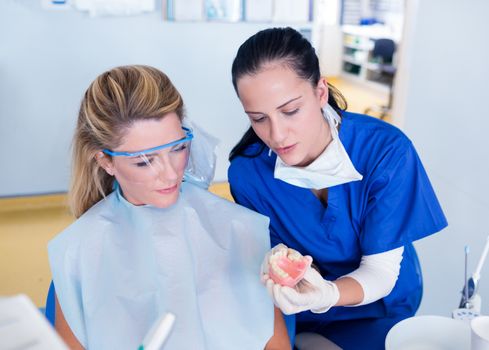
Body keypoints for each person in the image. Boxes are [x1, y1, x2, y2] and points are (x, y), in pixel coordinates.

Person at [228, 27, 448, 349]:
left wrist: (329, 293)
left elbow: (380, 273)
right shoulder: (248, 174)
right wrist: (279, 261)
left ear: (320, 92)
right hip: (302, 311)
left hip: (376, 308)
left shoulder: (385, 152)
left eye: (290, 111)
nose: (277, 135)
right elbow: (275, 254)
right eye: (258, 118)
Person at [47, 65, 290, 349]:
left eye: (177, 148)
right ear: (105, 161)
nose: (172, 173)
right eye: (144, 161)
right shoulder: (79, 251)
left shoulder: (237, 229)